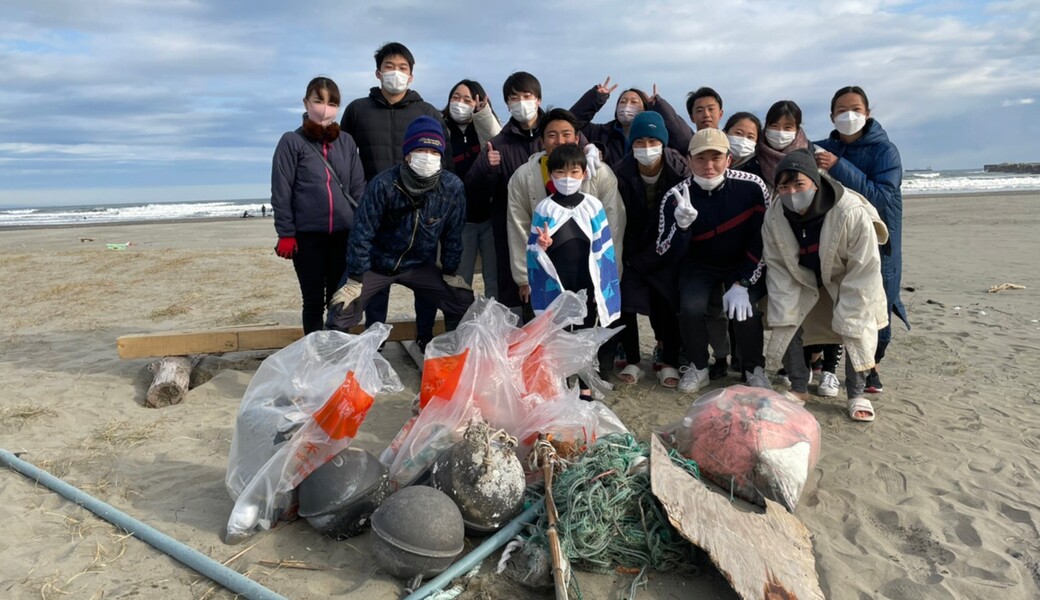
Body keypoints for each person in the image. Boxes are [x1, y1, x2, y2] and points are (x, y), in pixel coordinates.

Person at [762, 149, 889, 421]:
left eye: (799, 184)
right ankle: (798, 388)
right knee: (785, 315)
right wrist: (784, 303)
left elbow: (865, 268)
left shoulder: (851, 211)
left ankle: (856, 393)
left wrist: (852, 307)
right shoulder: (774, 215)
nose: (792, 192)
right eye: (784, 186)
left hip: (849, 277)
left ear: (815, 183)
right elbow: (777, 266)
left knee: (856, 323)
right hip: (803, 277)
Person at [340, 42, 449, 350]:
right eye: (390, 67)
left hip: (421, 213)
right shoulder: (358, 110)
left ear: (411, 76)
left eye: (403, 68)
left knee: (425, 282)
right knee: (376, 285)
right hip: (374, 214)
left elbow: (444, 161)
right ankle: (375, 345)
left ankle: (425, 338)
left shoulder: (426, 111)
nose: (396, 73)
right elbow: (345, 156)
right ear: (378, 72)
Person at [325, 116, 473, 333]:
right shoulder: (383, 184)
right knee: (341, 308)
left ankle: (455, 352)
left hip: (418, 264)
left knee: (462, 301)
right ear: (407, 154)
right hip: (376, 264)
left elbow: (453, 235)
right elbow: (361, 233)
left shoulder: (452, 188)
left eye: (434, 152)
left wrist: (450, 271)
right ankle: (335, 362)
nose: (428, 157)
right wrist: (355, 279)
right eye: (422, 150)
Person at [656, 128, 770, 393]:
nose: (708, 165)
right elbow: (664, 251)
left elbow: (762, 238)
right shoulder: (675, 195)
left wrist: (743, 281)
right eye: (700, 158)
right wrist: (681, 229)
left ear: (728, 159)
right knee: (691, 308)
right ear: (688, 160)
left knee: (746, 309)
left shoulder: (752, 186)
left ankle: (754, 368)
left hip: (740, 261)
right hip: (697, 265)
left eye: (716, 157)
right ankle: (698, 366)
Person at [814, 86, 907, 395]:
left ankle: (872, 364)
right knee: (833, 301)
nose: (848, 115)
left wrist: (838, 166)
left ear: (868, 113)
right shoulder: (826, 146)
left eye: (855, 109)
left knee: (878, 304)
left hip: (880, 241)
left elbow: (882, 196)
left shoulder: (885, 151)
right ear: (831, 115)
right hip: (836, 240)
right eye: (841, 110)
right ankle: (824, 361)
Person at [506, 109, 626, 343]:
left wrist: (610, 277)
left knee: (590, 326)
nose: (560, 140)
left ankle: (595, 371)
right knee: (552, 328)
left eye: (566, 134)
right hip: (550, 266)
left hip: (588, 268)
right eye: (552, 135)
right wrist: (523, 277)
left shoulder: (599, 173)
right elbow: (519, 227)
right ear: (541, 140)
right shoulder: (524, 176)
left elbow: (613, 228)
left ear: (577, 138)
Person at [271, 76, 365, 334]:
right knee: (312, 301)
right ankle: (313, 354)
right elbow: (282, 191)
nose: (325, 107)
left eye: (332, 102)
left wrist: (361, 230)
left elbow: (358, 189)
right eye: (318, 100)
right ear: (306, 102)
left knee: (339, 300)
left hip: (343, 236)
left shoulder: (346, 142)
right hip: (307, 237)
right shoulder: (291, 141)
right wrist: (286, 233)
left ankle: (335, 351)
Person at [527, 143, 621, 400]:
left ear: (583, 173)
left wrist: (601, 289)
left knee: (583, 335)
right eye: (560, 172)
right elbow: (533, 252)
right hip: (558, 283)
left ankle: (584, 382)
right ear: (551, 175)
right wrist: (541, 246)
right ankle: (559, 381)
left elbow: (604, 251)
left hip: (585, 281)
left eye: (574, 172)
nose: (567, 178)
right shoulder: (544, 208)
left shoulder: (593, 206)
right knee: (557, 334)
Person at [611, 111, 688, 387]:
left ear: (663, 143)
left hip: (667, 249)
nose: (646, 148)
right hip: (632, 248)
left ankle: (667, 358)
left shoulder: (680, 172)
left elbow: (682, 222)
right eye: (639, 141)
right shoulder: (619, 173)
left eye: (652, 141)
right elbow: (617, 218)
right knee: (624, 299)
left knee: (666, 299)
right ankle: (632, 357)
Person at [465, 71, 546, 311]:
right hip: (511, 229)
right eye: (513, 98)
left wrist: (594, 148)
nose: (521, 102)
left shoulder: (553, 134)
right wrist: (486, 168)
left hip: (552, 227)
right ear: (507, 105)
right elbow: (476, 191)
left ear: (538, 99)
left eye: (526, 95)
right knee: (515, 295)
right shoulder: (499, 143)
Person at [442, 79, 503, 300]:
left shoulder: (484, 126)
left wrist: (483, 115)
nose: (460, 103)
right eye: (455, 98)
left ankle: (495, 329)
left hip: (490, 218)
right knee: (460, 279)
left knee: (494, 279)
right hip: (460, 221)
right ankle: (459, 329)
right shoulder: (442, 129)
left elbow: (497, 142)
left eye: (467, 99)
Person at [569, 77, 693, 164]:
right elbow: (570, 122)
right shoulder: (601, 133)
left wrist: (659, 106)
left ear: (645, 109)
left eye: (634, 102)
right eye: (622, 102)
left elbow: (684, 141)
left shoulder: (655, 137)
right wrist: (596, 97)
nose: (627, 105)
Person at [756, 100, 813, 190]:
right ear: (766, 126)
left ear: (797, 129)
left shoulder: (815, 156)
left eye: (788, 127)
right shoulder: (753, 156)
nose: (780, 132)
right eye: (774, 126)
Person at [723, 111, 763, 179]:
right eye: (738, 133)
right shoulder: (710, 161)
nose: (743, 140)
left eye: (750, 137)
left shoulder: (758, 171)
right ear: (725, 133)